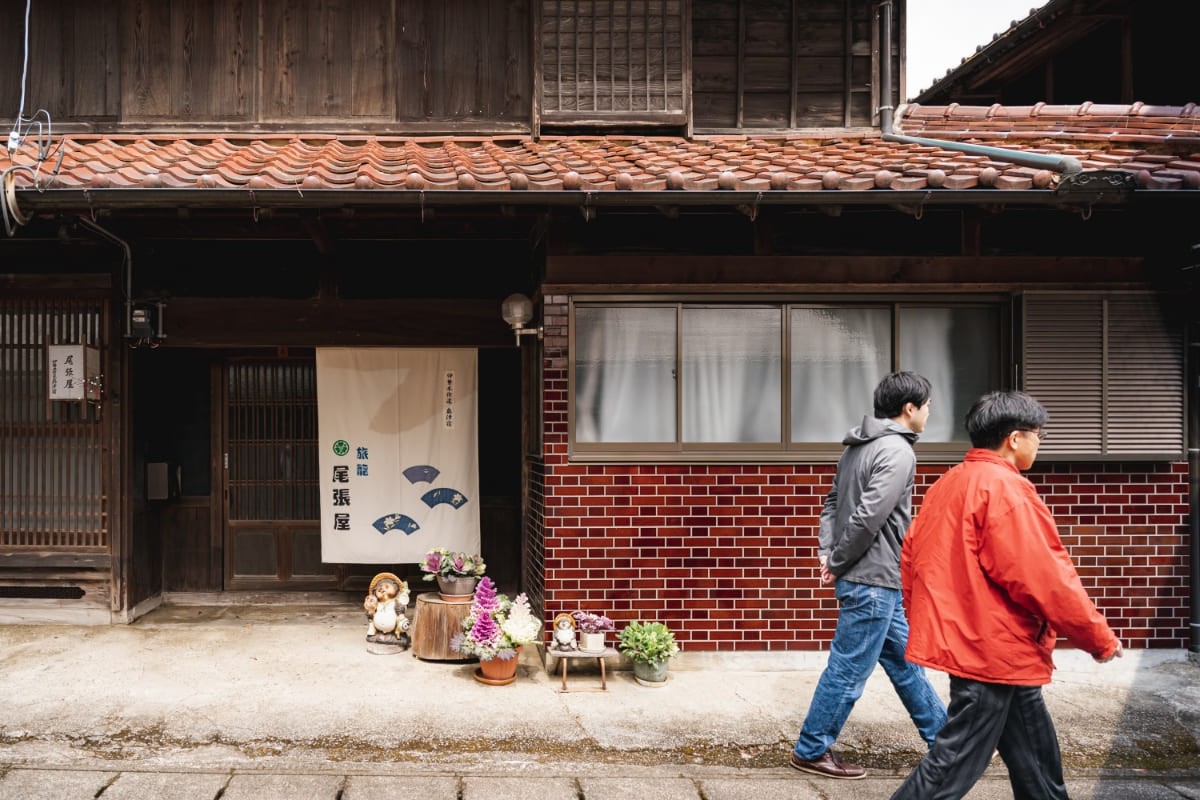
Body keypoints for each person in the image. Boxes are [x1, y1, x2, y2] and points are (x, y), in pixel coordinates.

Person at [890, 390, 1123, 800]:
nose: (1040, 443)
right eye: (1038, 435)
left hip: (982, 646)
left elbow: (913, 561)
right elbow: (1044, 578)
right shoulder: (1007, 490)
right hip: (993, 650)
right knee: (951, 765)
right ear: (1015, 438)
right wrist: (1097, 637)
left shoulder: (948, 483)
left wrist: (937, 626)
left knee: (1037, 759)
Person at [790, 371, 948, 780]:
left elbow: (831, 505)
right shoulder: (898, 451)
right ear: (909, 408)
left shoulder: (856, 447)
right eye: (927, 404)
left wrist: (828, 554)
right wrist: (838, 560)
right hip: (872, 580)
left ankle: (947, 744)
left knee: (907, 663)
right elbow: (866, 518)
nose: (930, 411)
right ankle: (811, 749)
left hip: (877, 580)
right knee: (847, 671)